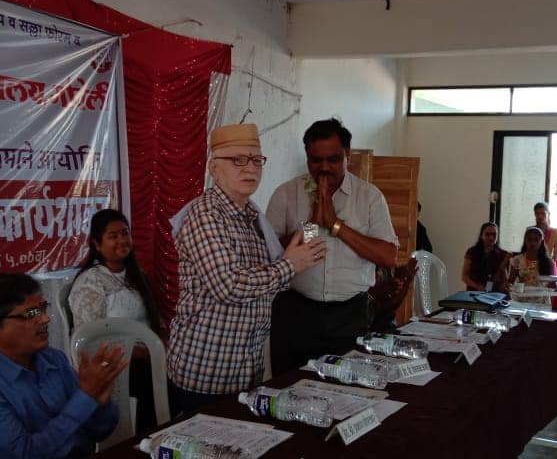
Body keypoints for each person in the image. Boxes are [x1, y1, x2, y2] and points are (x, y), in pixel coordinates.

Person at [169, 124, 325, 415]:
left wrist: (292, 258)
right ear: (214, 168)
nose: (250, 168)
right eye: (238, 160)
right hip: (208, 370)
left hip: (245, 368)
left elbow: (266, 283)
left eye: (256, 160)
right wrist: (290, 264)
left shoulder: (251, 215)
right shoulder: (205, 214)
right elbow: (229, 286)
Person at [268, 118, 399, 375]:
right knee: (289, 384)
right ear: (307, 157)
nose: (324, 168)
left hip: (351, 315)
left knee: (348, 385)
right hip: (297, 313)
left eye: (334, 159)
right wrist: (312, 225)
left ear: (347, 155)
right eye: (316, 160)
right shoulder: (287, 193)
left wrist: (335, 225)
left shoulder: (369, 196)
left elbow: (388, 256)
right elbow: (268, 254)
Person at [0, 273, 125, 458]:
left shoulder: (53, 360)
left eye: (43, 308)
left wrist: (99, 404)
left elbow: (99, 432)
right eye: (31, 314)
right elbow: (26, 455)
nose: (44, 319)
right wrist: (85, 398)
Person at [69, 208, 160, 433]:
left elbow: (151, 320)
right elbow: (91, 341)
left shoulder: (134, 274)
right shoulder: (91, 282)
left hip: (148, 356)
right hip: (118, 366)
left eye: (125, 233)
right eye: (113, 236)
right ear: (97, 244)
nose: (122, 240)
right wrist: (144, 352)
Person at [507, 226, 555, 304]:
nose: (533, 243)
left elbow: (552, 283)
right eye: (529, 239)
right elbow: (511, 281)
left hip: (541, 301)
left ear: (541, 242)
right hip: (521, 300)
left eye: (536, 240)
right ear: (525, 241)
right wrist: (508, 286)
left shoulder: (549, 262)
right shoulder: (517, 260)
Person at [461, 222, 510, 292]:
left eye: (494, 235)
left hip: (494, 293)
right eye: (487, 234)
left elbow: (505, 278)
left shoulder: (503, 254)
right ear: (481, 235)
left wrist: (503, 286)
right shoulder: (471, 252)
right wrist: (477, 286)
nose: (491, 237)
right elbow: (464, 276)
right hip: (474, 292)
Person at [533, 201, 557, 274]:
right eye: (537, 213)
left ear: (548, 214)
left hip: (550, 268)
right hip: (532, 267)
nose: (540, 216)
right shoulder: (531, 231)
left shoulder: (556, 233)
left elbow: (555, 257)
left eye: (543, 213)